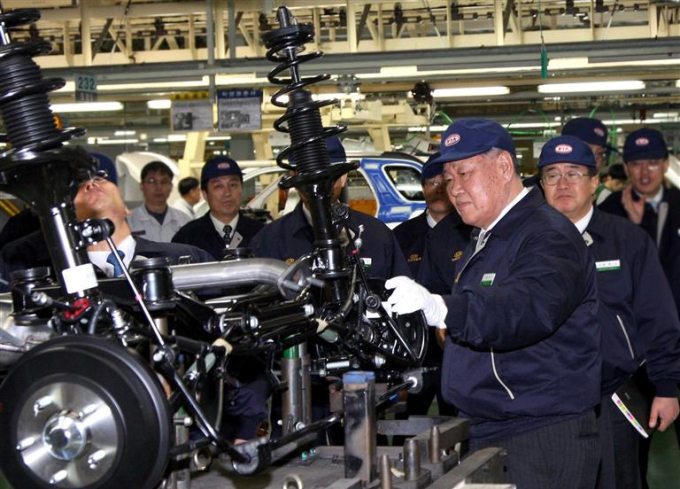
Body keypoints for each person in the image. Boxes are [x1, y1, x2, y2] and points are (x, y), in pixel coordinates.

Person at [386, 118, 602, 489]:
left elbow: (522, 308)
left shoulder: (547, 235)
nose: (454, 189)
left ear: (503, 167)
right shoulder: (487, 237)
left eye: (464, 173)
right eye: (449, 178)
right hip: (494, 426)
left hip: (540, 436)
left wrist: (443, 308)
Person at [539, 135, 680, 489]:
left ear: (594, 181)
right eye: (552, 175)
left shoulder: (627, 241)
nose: (563, 183)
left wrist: (666, 386)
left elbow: (657, 315)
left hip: (612, 397)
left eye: (574, 173)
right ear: (541, 185)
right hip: (542, 401)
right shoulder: (526, 245)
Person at [0, 169, 212, 287]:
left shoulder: (186, 258)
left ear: (128, 209)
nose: (91, 184)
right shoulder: (45, 272)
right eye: (78, 186)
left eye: (100, 179)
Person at [250, 137, 410, 280]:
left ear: (342, 177)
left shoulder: (377, 237)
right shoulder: (268, 243)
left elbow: (405, 298)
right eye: (308, 175)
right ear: (293, 178)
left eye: (327, 175)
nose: (317, 185)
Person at [599, 128, 680, 316]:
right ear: (626, 168)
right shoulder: (608, 211)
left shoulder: (678, 205)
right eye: (636, 164)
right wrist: (633, 228)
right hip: (630, 322)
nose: (645, 173)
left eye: (652, 163)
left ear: (665, 165)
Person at [172, 156, 264, 261]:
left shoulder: (261, 234)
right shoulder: (186, 238)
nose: (227, 193)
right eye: (218, 186)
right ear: (205, 194)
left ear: (241, 189)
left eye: (233, 185)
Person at [393, 153, 456, 277]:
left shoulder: (471, 234)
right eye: (433, 183)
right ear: (423, 188)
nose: (439, 191)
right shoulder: (401, 237)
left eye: (445, 183)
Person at [128, 161, 190, 242]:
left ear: (171, 186)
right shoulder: (129, 221)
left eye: (164, 182)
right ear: (142, 186)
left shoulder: (184, 220)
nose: (159, 187)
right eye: (152, 181)